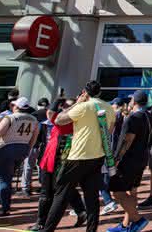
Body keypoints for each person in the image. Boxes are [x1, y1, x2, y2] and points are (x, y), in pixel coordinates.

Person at [42, 82, 116, 232]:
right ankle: (91, 229)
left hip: (78, 155)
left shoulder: (83, 107)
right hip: (97, 155)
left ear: (85, 93)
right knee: (92, 196)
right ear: (99, 92)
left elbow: (58, 120)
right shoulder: (109, 108)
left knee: (61, 193)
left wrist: (76, 104)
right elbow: (110, 129)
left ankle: (48, 229)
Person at [0, 97, 39, 217]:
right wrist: (27, 150)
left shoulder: (10, 118)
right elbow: (33, 138)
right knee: (6, 177)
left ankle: (5, 208)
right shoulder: (34, 119)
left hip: (6, 149)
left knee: (4, 179)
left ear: (16, 106)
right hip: (22, 148)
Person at [30, 99, 87, 231]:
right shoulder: (74, 121)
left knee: (48, 192)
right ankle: (81, 211)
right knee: (63, 188)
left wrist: (59, 100)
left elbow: (50, 112)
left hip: (58, 158)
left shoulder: (67, 121)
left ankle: (41, 222)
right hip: (54, 157)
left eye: (66, 107)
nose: (63, 109)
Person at [109, 91, 152, 232]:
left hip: (129, 160)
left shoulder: (134, 118)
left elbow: (127, 140)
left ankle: (138, 220)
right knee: (132, 191)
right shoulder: (148, 116)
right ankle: (126, 225)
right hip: (141, 158)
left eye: (132, 100)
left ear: (134, 101)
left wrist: (116, 159)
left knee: (117, 192)